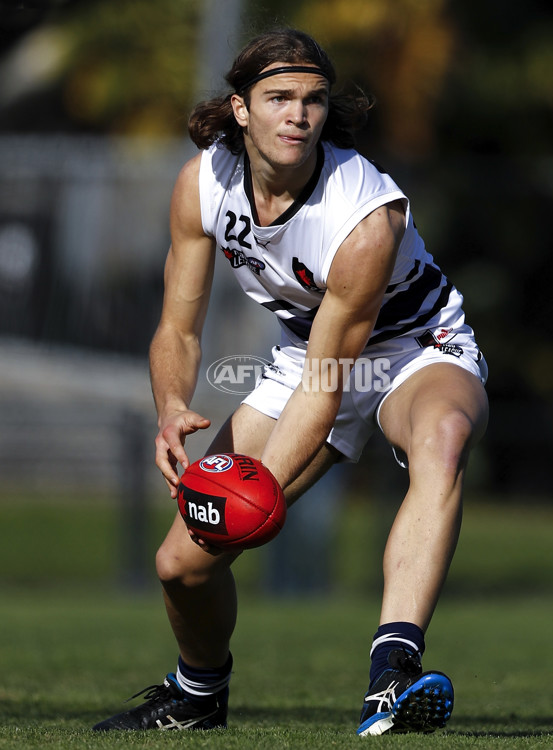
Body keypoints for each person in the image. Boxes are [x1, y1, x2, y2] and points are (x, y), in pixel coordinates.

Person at [92, 27, 488, 736]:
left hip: (415, 350)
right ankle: (198, 694)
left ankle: (391, 673)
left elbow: (334, 380)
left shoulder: (365, 216)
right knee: (181, 564)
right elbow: (179, 330)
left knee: (445, 439)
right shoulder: (203, 184)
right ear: (241, 108)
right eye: (279, 98)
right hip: (305, 359)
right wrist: (172, 407)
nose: (298, 115)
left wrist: (261, 487)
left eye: (312, 100)